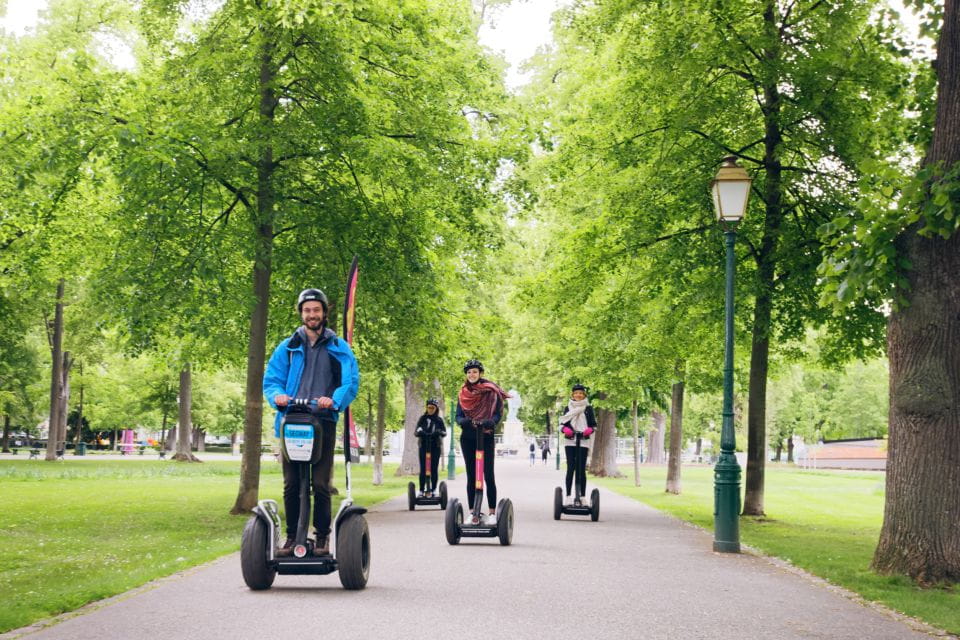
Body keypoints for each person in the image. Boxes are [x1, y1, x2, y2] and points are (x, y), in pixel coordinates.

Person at [263, 288, 359, 557]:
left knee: (320, 483)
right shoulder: (288, 347)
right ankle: (292, 537)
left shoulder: (338, 347)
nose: (311, 314)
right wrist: (277, 396)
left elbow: (350, 381)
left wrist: (334, 400)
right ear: (301, 313)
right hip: (292, 419)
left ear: (324, 313)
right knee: (292, 483)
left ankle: (322, 537)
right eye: (307, 310)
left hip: (322, 421)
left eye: (316, 310)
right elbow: (272, 380)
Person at [456, 359, 510, 525]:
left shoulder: (490, 391)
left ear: (480, 373)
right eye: (469, 372)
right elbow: (458, 416)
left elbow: (498, 413)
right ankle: (473, 512)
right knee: (471, 476)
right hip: (468, 438)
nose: (472, 374)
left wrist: (491, 421)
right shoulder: (463, 393)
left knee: (488, 475)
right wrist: (463, 421)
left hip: (485, 436)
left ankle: (492, 512)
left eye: (475, 371)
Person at [559, 383, 596, 500]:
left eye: (580, 393)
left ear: (584, 395)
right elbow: (562, 424)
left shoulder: (588, 408)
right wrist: (565, 430)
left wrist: (589, 430)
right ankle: (568, 496)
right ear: (573, 395)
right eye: (576, 393)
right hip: (570, 440)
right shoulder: (568, 408)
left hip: (583, 440)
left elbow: (593, 425)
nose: (578, 395)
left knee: (581, 469)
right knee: (571, 468)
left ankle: (583, 496)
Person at [415, 398, 446, 497]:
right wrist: (420, 432)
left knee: (433, 468)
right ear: (426, 408)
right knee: (423, 468)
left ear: (436, 409)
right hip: (424, 446)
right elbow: (416, 431)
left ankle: (433, 489)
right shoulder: (422, 419)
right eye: (429, 407)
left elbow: (444, 432)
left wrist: (439, 432)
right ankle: (421, 490)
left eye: (433, 408)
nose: (430, 410)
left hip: (435, 446)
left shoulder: (439, 420)